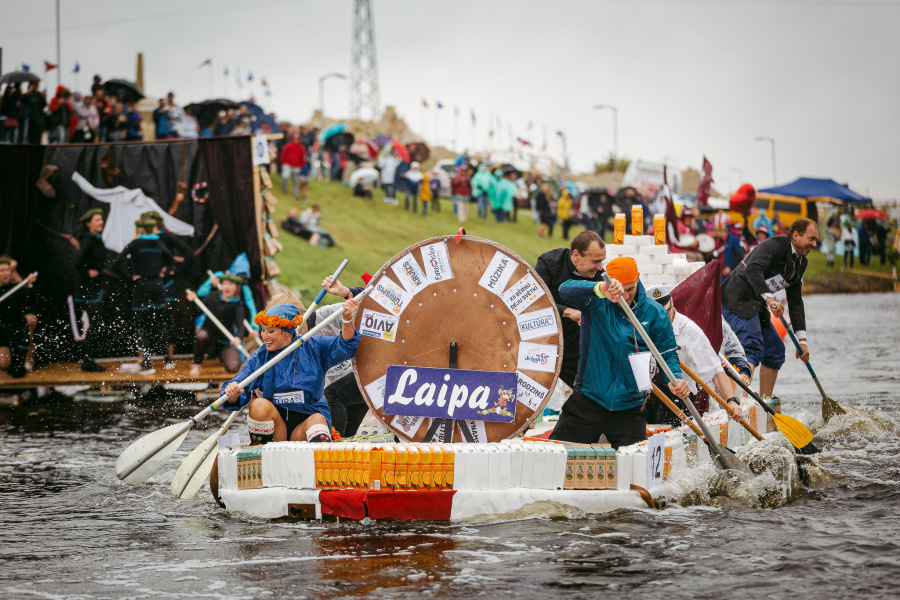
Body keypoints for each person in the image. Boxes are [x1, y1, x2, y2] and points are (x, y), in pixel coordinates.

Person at [549, 257, 689, 447]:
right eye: (621, 290)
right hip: (589, 398)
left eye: (630, 289)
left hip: (630, 405)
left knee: (637, 469)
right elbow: (564, 290)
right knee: (557, 456)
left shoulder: (655, 312)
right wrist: (600, 289)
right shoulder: (595, 302)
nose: (625, 296)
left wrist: (675, 378)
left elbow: (667, 352)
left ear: (638, 280)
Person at [221, 294, 361, 445]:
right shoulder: (260, 356)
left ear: (287, 331)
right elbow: (239, 385)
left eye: (270, 331)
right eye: (263, 330)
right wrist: (232, 393)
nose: (264, 336)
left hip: (306, 423)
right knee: (258, 405)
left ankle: (318, 460)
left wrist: (347, 319)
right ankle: (262, 454)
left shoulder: (314, 345)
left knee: (318, 420)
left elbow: (346, 346)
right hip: (276, 426)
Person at [721, 218, 818, 400]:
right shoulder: (776, 245)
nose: (814, 244)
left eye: (816, 240)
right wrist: (770, 299)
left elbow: (796, 301)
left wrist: (802, 341)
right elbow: (753, 268)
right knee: (753, 346)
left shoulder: (800, 263)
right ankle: (738, 403)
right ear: (796, 236)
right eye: (811, 238)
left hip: (756, 303)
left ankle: (765, 403)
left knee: (775, 350)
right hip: (735, 298)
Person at [645, 285, 745, 427]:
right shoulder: (639, 323)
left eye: (665, 312)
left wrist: (731, 401)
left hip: (679, 397)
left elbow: (715, 371)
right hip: (645, 395)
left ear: (672, 303)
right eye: (657, 314)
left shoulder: (690, 331)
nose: (662, 318)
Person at [534, 231, 607, 389]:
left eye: (602, 261)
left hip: (576, 344)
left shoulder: (599, 274)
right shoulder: (548, 263)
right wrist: (569, 312)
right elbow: (535, 302)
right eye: (595, 261)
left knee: (588, 388)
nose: (600, 267)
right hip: (543, 339)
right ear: (576, 255)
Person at [110, 220, 175, 374]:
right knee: (161, 323)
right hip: (157, 287)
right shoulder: (158, 242)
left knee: (140, 325)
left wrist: (131, 277)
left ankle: (147, 362)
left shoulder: (135, 244)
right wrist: (162, 273)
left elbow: (116, 264)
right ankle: (168, 359)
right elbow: (171, 259)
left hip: (141, 287)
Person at [186, 273, 246, 376]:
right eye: (225, 284)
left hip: (225, 342)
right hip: (209, 340)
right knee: (201, 335)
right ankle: (197, 365)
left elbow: (241, 325)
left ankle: (223, 357)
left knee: (233, 367)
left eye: (230, 284)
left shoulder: (238, 304)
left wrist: (239, 338)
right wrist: (192, 302)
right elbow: (196, 312)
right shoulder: (212, 296)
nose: (227, 287)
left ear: (236, 287)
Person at [74, 209, 108, 372]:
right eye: (97, 220)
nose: (101, 222)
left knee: (97, 324)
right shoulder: (87, 240)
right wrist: (87, 273)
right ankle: (87, 361)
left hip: (95, 287)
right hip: (88, 288)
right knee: (97, 324)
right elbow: (77, 260)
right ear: (88, 224)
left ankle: (88, 360)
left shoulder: (96, 240)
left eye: (101, 219)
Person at [0, 258, 37, 379]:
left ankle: (16, 395)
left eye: (7, 270)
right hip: (2, 332)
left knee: (18, 371)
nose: (5, 273)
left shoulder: (16, 287)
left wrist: (29, 283)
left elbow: (30, 301)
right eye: (2, 271)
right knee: (4, 363)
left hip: (17, 331)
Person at [280, 131, 308, 201]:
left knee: (295, 181)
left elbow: (303, 158)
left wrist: (300, 166)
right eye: (295, 138)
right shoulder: (288, 146)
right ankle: (284, 190)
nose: (296, 140)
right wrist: (284, 163)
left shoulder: (301, 147)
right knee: (285, 176)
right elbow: (283, 155)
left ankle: (296, 195)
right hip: (288, 165)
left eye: (297, 139)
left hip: (296, 167)